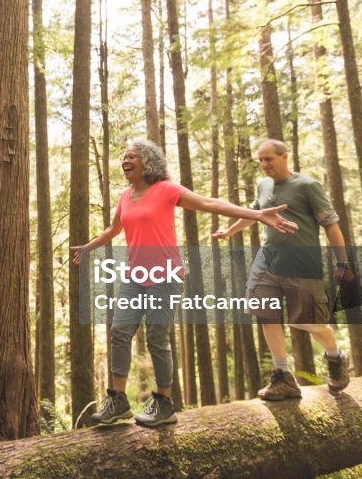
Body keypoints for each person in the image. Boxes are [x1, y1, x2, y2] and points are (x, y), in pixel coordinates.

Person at [71, 137, 298, 427]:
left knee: (156, 336)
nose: (125, 161)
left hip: (165, 276)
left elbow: (208, 203)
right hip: (135, 276)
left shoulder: (166, 190)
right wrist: (90, 247)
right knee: (119, 331)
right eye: (124, 157)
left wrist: (255, 214)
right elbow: (114, 229)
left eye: (132, 157)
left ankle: (164, 404)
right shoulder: (125, 196)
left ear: (148, 162)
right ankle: (117, 400)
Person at [213, 139, 353, 400]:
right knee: (266, 313)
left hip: (302, 264)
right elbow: (255, 214)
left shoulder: (308, 186)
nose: (264, 165)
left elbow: (331, 225)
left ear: (284, 157)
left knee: (310, 323)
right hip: (267, 261)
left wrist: (342, 262)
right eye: (261, 160)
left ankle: (336, 358)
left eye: (269, 159)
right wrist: (229, 231)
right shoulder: (263, 185)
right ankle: (283, 376)